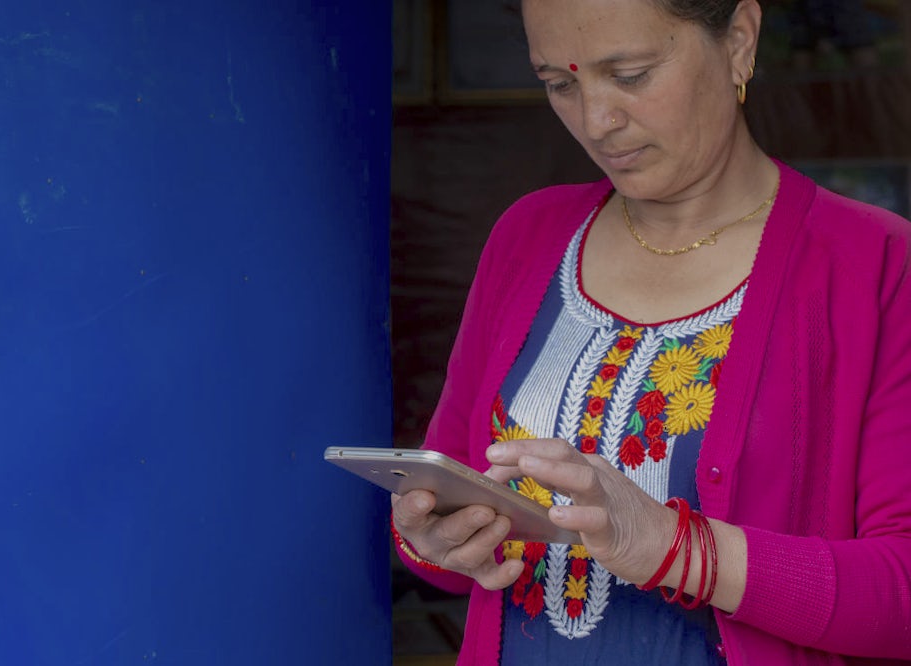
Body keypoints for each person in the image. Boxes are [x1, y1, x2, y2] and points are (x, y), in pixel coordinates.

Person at [390, 0, 911, 663]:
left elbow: (901, 597)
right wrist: (433, 540)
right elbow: (450, 531)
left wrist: (674, 547)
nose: (596, 120)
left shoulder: (874, 265)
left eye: (630, 74)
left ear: (740, 42)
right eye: (559, 82)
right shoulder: (529, 236)